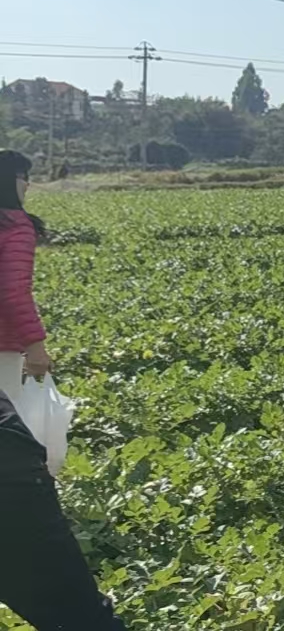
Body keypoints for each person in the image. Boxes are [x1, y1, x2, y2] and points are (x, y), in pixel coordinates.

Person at [0, 150, 127, 629]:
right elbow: (12, 291)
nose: (29, 187)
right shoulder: (13, 224)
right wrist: (35, 345)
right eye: (25, 179)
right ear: (12, 182)